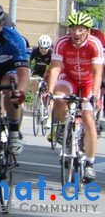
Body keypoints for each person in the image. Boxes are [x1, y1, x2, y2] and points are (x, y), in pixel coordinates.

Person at [45, 11, 102, 182]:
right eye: (73, 29)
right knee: (58, 96)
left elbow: (98, 72)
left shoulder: (95, 44)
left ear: (88, 31)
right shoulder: (62, 43)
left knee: (88, 119)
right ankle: (63, 126)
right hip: (69, 77)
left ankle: (90, 165)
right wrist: (49, 91)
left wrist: (95, 94)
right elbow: (55, 67)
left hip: (87, 82)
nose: (76, 33)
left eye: (80, 30)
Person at [0, 0, 30, 155]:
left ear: (0, 26)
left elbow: (23, 72)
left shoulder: (13, 39)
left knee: (11, 86)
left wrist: (21, 92)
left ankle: (13, 131)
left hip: (8, 68)